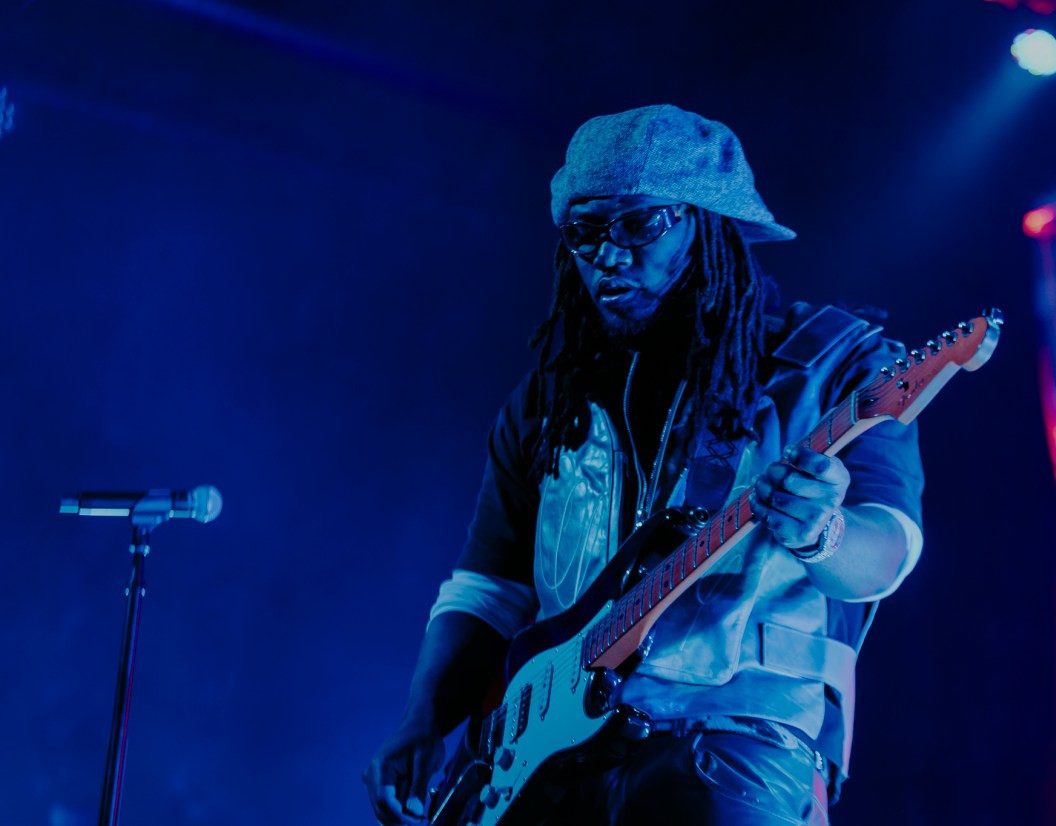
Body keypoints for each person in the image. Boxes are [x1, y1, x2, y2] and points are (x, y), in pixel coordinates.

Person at [364, 104, 924, 826]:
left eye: (640, 223)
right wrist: (421, 722)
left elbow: (888, 551)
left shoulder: (832, 364)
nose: (608, 254)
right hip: (547, 757)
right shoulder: (550, 398)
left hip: (733, 740)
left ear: (709, 223)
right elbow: (487, 592)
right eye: (586, 231)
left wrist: (824, 534)